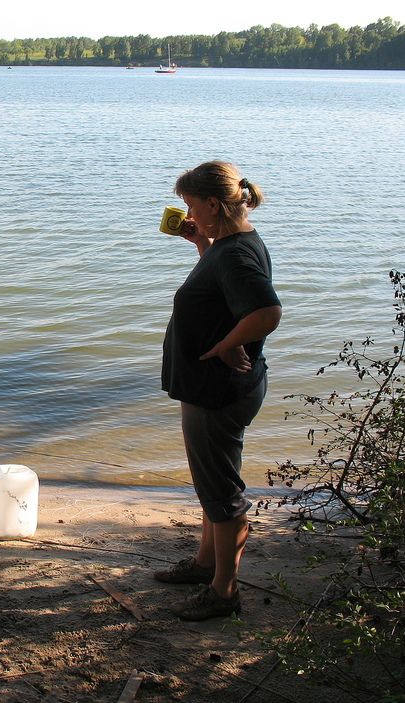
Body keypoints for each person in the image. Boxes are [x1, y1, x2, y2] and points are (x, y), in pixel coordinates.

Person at [155, 161, 282, 620]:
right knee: (213, 483)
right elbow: (223, 297)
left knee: (222, 494)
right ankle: (205, 564)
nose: (187, 213)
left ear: (213, 204)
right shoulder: (232, 243)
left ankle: (223, 592)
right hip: (221, 387)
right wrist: (200, 244)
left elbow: (267, 311)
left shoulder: (234, 255)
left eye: (192, 205)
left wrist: (228, 345)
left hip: (218, 390)